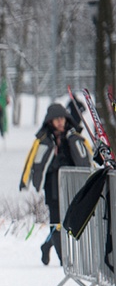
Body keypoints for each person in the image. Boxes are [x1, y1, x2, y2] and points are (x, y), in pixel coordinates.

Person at [21, 102, 91, 265]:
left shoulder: (75, 138)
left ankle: (47, 245)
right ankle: (64, 260)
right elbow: (31, 160)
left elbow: (87, 157)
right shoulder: (43, 141)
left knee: (70, 222)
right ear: (50, 121)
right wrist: (25, 181)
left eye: (62, 118)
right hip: (52, 188)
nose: (60, 122)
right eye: (56, 119)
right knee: (57, 223)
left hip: (73, 187)